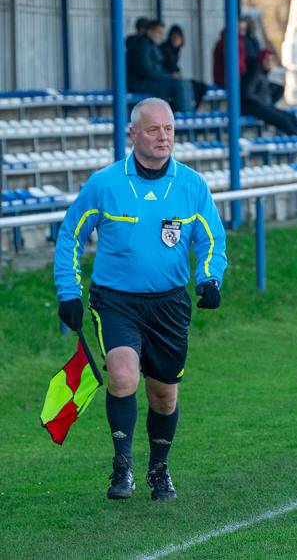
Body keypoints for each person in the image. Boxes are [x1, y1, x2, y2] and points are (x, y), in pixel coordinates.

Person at [53, 98, 227, 501]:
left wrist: (209, 278)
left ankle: (159, 469)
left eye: (168, 129)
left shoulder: (191, 185)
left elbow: (211, 238)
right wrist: (68, 291)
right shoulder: (105, 183)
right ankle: (122, 467)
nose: (163, 137)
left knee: (164, 396)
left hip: (169, 304)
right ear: (132, 133)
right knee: (124, 376)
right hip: (116, 302)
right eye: (153, 130)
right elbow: (70, 235)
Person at [127, 20, 194, 113]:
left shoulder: (151, 45)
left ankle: (187, 116)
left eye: (162, 33)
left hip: (149, 81)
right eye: (158, 32)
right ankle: (186, 119)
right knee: (179, 85)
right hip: (140, 84)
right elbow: (147, 71)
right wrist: (169, 76)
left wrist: (170, 75)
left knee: (185, 83)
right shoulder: (142, 45)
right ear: (149, 31)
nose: (161, 35)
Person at [240, 49, 297, 136]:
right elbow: (247, 93)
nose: (270, 63)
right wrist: (264, 103)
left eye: (271, 60)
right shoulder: (254, 72)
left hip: (262, 106)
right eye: (267, 60)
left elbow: (262, 91)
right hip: (253, 108)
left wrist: (278, 90)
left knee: (291, 117)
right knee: (284, 120)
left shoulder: (262, 73)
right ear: (262, 60)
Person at [160, 24, 207, 109]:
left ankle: (192, 109)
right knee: (188, 87)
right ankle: (187, 111)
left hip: (174, 79)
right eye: (174, 37)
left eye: (178, 37)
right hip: (167, 80)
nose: (176, 39)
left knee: (201, 86)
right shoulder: (165, 48)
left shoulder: (176, 50)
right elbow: (165, 66)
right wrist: (173, 74)